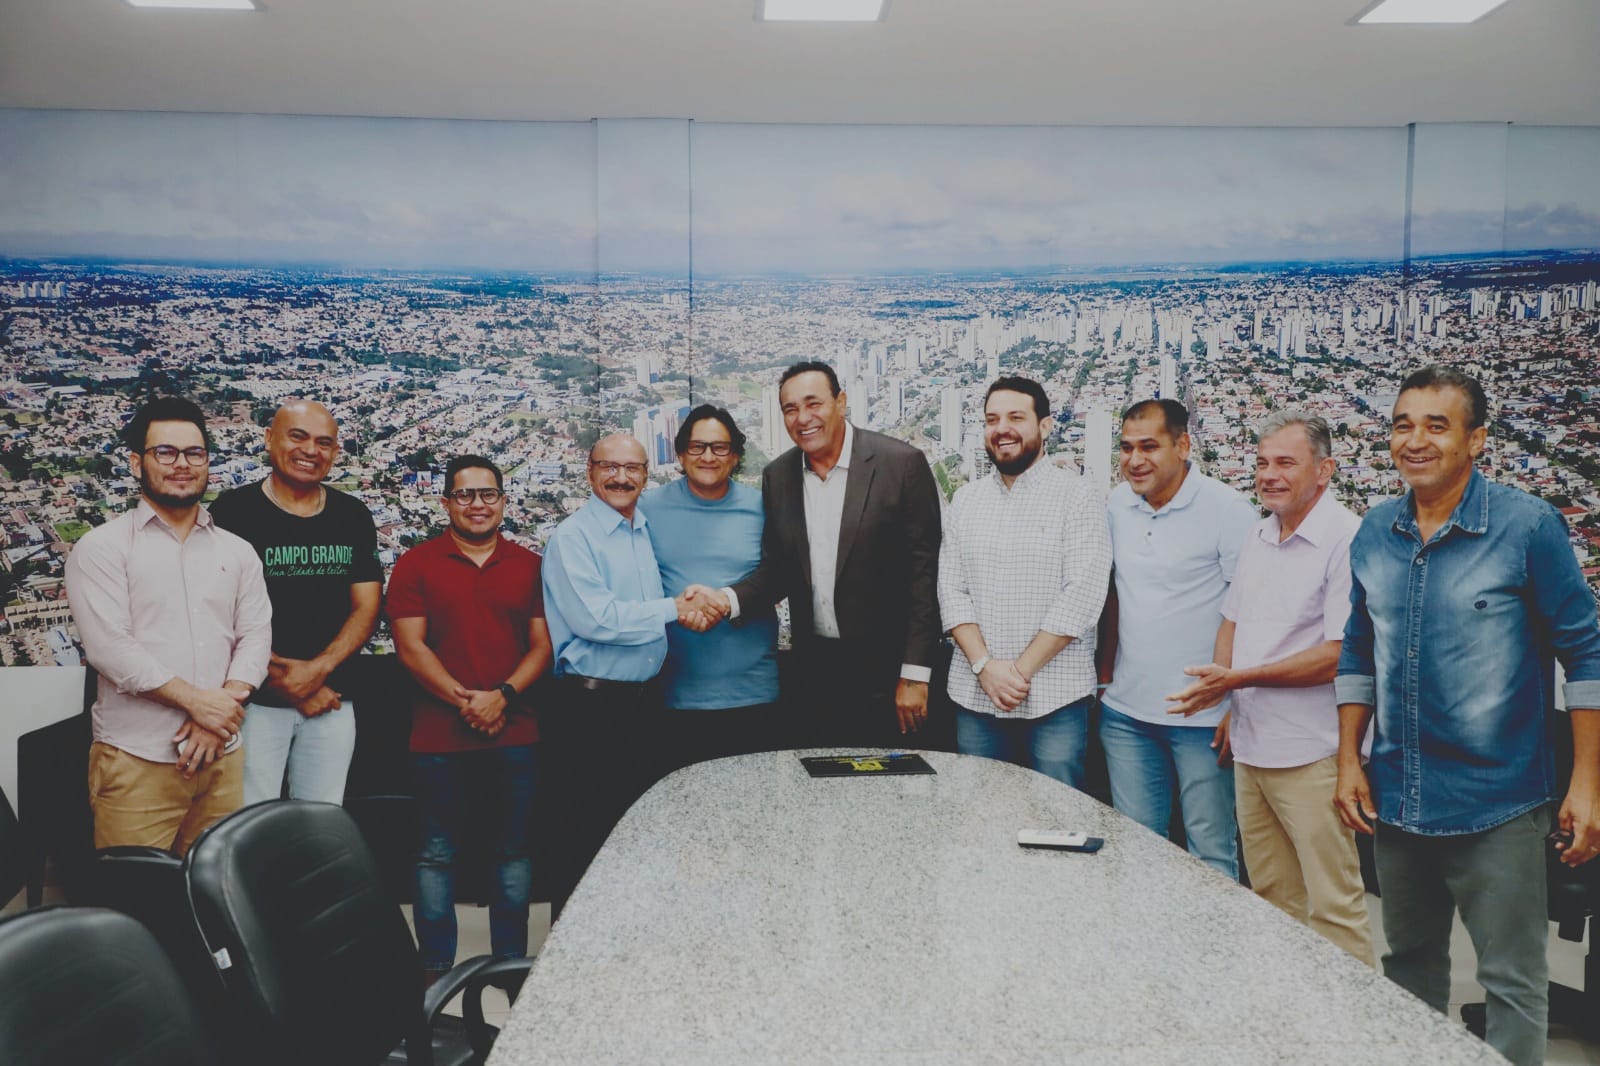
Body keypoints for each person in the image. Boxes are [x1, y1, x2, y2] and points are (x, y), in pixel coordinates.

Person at [1334, 366, 1600, 1066]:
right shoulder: (1373, 532)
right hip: (1396, 798)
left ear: (1476, 439)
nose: (1414, 440)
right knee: (1409, 970)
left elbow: (1588, 656)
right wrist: (1346, 761)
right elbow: (1359, 649)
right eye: (1402, 423)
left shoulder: (1527, 526)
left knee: (1511, 983)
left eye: (1437, 424)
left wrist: (1586, 784)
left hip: (1499, 806)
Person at [1166, 411, 1373, 962]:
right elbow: (1233, 621)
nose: (1269, 474)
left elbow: (1338, 655)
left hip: (1313, 752)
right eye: (1261, 463)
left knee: (1335, 906)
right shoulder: (1259, 532)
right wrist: (1227, 694)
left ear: (1325, 469)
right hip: (1252, 748)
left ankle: (1352, 1038)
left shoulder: (1345, 539)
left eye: (1285, 462)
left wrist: (1237, 680)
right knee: (1272, 900)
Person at [64, 396, 271, 855]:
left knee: (214, 900)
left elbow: (255, 636)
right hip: (137, 760)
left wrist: (215, 719)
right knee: (135, 904)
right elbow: (110, 649)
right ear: (138, 463)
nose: (182, 464)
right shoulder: (102, 549)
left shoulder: (237, 551)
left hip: (222, 756)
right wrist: (201, 705)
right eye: (166, 452)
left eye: (195, 453)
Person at [708, 361, 942, 750]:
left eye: (813, 404)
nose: (803, 418)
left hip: (889, 675)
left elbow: (925, 576)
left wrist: (915, 675)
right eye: (790, 409)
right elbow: (778, 571)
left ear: (841, 402)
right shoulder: (778, 476)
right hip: (814, 674)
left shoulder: (901, 465)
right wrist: (725, 599)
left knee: (892, 795)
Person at [388, 455, 551, 983]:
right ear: (446, 503)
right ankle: (436, 970)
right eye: (465, 495)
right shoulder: (415, 564)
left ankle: (510, 965)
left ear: (503, 501)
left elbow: (542, 647)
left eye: (487, 494)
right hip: (437, 736)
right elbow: (411, 649)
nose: (477, 505)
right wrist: (468, 701)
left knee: (514, 851)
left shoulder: (530, 565)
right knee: (437, 854)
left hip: (516, 729)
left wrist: (501, 696)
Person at [541, 434, 709, 916]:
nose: (621, 477)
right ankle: (572, 963)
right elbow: (596, 620)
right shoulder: (574, 537)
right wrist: (677, 609)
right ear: (590, 472)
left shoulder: (640, 530)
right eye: (609, 467)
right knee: (583, 838)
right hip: (591, 707)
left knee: (636, 833)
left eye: (632, 468)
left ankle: (626, 945)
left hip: (642, 704)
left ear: (646, 474)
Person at [1099, 398, 1257, 878]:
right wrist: (1104, 680)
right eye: (1126, 448)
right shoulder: (1115, 504)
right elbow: (1111, 596)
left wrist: (1236, 703)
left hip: (1203, 718)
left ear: (1183, 446)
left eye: (1150, 446)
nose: (1135, 459)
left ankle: (1214, 953)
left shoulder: (1227, 510)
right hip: (1126, 714)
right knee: (1137, 849)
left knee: (1209, 851)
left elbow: (1251, 612)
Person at [938, 376, 1110, 788]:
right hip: (976, 696)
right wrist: (984, 667)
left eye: (1016, 417)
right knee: (978, 817)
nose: (1002, 429)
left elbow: (1082, 597)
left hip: (1054, 697)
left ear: (1045, 426)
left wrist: (1016, 673)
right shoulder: (966, 500)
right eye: (992, 419)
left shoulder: (1079, 496)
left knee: (1057, 820)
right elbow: (951, 590)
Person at [210, 399, 381, 805]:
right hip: (252, 703)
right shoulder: (231, 512)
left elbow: (367, 607)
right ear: (270, 439)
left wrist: (316, 673)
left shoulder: (352, 516)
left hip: (332, 700)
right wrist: (286, 681)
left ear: (336, 453)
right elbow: (216, 613)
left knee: (322, 822)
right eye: (298, 436)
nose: (310, 451)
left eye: (324, 443)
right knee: (247, 818)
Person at [639, 405, 780, 776]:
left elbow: (781, 575)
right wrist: (679, 608)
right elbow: (627, 581)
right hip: (672, 696)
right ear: (681, 454)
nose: (707, 456)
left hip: (753, 693)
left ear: (735, 456)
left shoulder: (765, 509)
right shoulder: (645, 509)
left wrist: (722, 602)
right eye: (697, 446)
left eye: (719, 447)